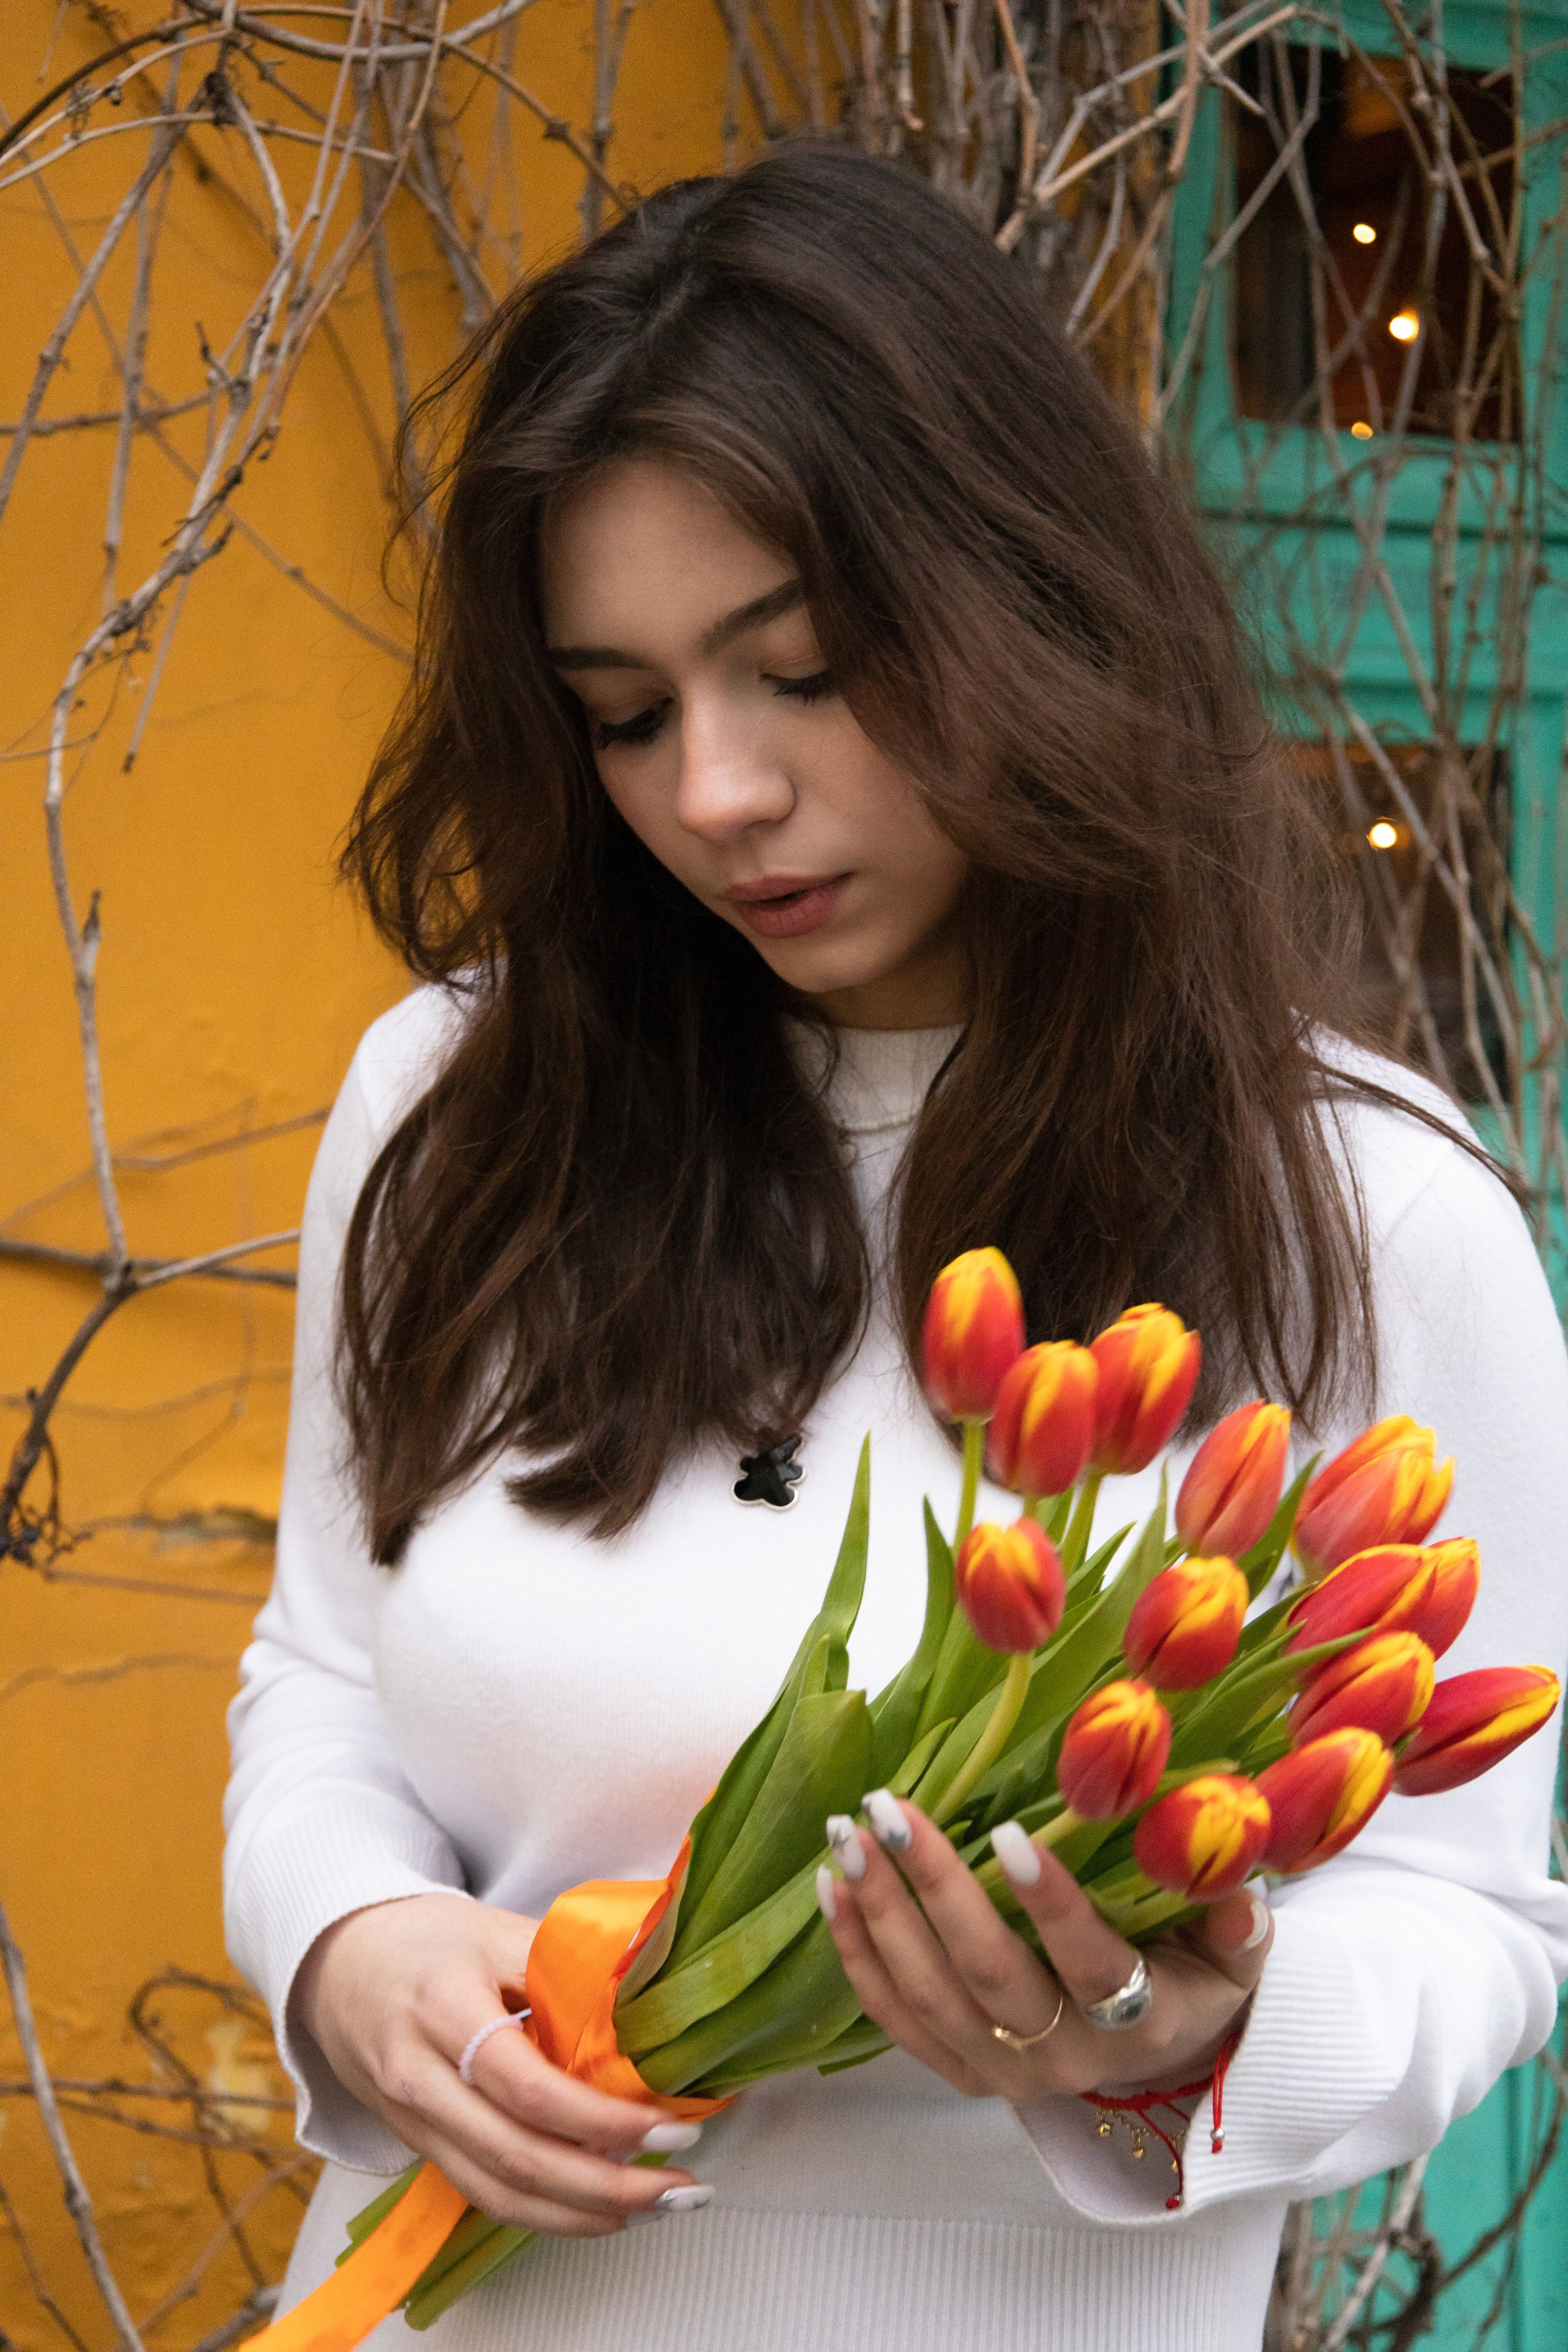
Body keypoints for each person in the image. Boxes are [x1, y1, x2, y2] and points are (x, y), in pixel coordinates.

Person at [225, 146, 1568, 2352]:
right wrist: (350, 1945)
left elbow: (1473, 1922)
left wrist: (1178, 2036)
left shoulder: (1364, 1209)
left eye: (805, 672)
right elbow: (326, 1678)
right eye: (625, 711)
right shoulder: (462, 1107)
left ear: (1021, 599)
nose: (716, 792)